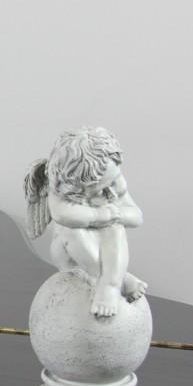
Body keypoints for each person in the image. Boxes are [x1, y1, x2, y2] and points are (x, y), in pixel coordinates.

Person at [24, 127, 146, 318]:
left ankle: (111, 284)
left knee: (115, 228)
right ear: (77, 186)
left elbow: (136, 216)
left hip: (105, 254)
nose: (110, 190)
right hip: (70, 256)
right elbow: (65, 216)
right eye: (101, 186)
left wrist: (116, 214)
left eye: (114, 180)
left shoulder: (113, 183)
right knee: (71, 230)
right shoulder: (59, 190)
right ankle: (117, 280)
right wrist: (100, 214)